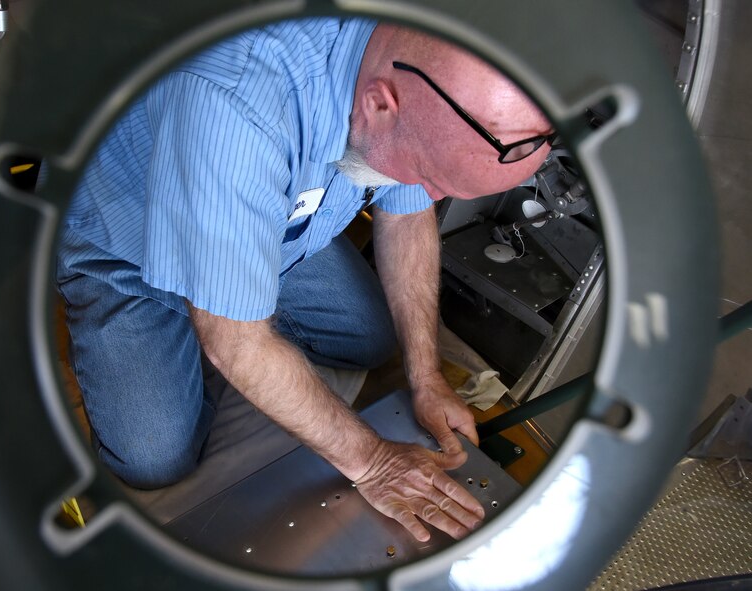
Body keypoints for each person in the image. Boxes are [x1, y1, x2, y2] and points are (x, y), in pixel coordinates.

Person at [57, 17, 552, 543]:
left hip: (269, 226)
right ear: (380, 104)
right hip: (126, 248)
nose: (426, 191)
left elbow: (407, 214)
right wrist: (373, 462)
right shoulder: (237, 106)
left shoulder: (412, 68)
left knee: (372, 339)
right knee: (153, 462)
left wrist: (427, 378)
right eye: (428, 176)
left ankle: (231, 286)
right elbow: (234, 343)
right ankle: (193, 305)